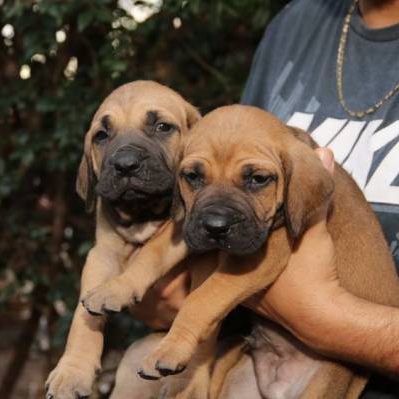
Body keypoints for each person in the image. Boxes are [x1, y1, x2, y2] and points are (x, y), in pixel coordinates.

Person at [133, 0, 399, 396]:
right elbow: (228, 165)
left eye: (258, 179)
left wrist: (330, 321)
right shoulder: (296, 25)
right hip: (249, 349)